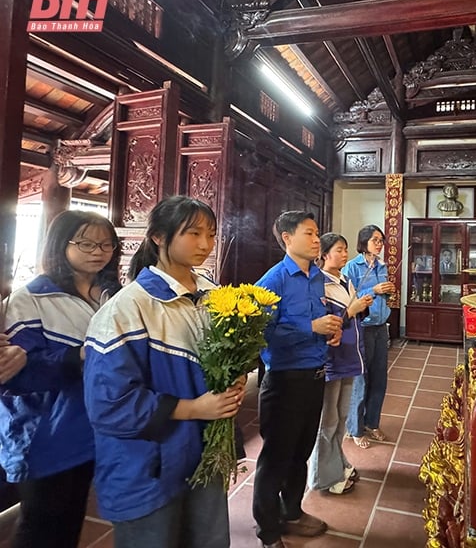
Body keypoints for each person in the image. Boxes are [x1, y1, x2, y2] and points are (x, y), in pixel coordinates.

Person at [83, 196, 245, 548]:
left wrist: (233, 381)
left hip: (203, 458)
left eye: (212, 234)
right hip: (148, 468)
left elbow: (220, 365)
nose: (206, 244)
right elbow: (108, 405)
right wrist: (194, 409)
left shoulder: (212, 296)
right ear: (158, 236)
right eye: (193, 233)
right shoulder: (126, 311)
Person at [0, 210, 122, 548]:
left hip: (87, 429)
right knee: (39, 528)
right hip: (44, 434)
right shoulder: (31, 299)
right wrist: (81, 355)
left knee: (69, 522)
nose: (98, 251)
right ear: (59, 245)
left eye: (106, 243)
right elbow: (21, 375)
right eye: (85, 242)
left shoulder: (108, 296)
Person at [252, 211, 343, 548]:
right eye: (309, 233)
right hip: (285, 381)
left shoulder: (317, 277)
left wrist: (329, 330)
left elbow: (320, 316)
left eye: (317, 233)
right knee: (276, 457)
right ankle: (268, 530)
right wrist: (309, 329)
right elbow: (259, 334)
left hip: (315, 375)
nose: (317, 239)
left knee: (301, 451)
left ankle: (291, 511)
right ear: (287, 238)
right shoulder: (272, 281)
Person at [307, 233, 372, 495]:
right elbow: (327, 323)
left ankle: (338, 463)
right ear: (324, 255)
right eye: (339, 250)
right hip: (332, 360)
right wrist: (352, 310)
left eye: (345, 250)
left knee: (341, 417)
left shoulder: (346, 280)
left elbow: (352, 317)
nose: (345, 255)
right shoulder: (319, 285)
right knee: (328, 420)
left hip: (349, 357)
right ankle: (323, 476)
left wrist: (362, 306)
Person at [344, 225, 394, 449]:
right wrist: (375, 290)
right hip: (362, 327)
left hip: (380, 327)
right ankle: (355, 427)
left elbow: (384, 293)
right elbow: (349, 298)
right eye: (375, 240)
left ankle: (372, 422)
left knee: (379, 378)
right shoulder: (352, 267)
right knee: (360, 379)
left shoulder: (382, 266)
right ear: (363, 242)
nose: (379, 244)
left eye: (381, 240)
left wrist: (389, 290)